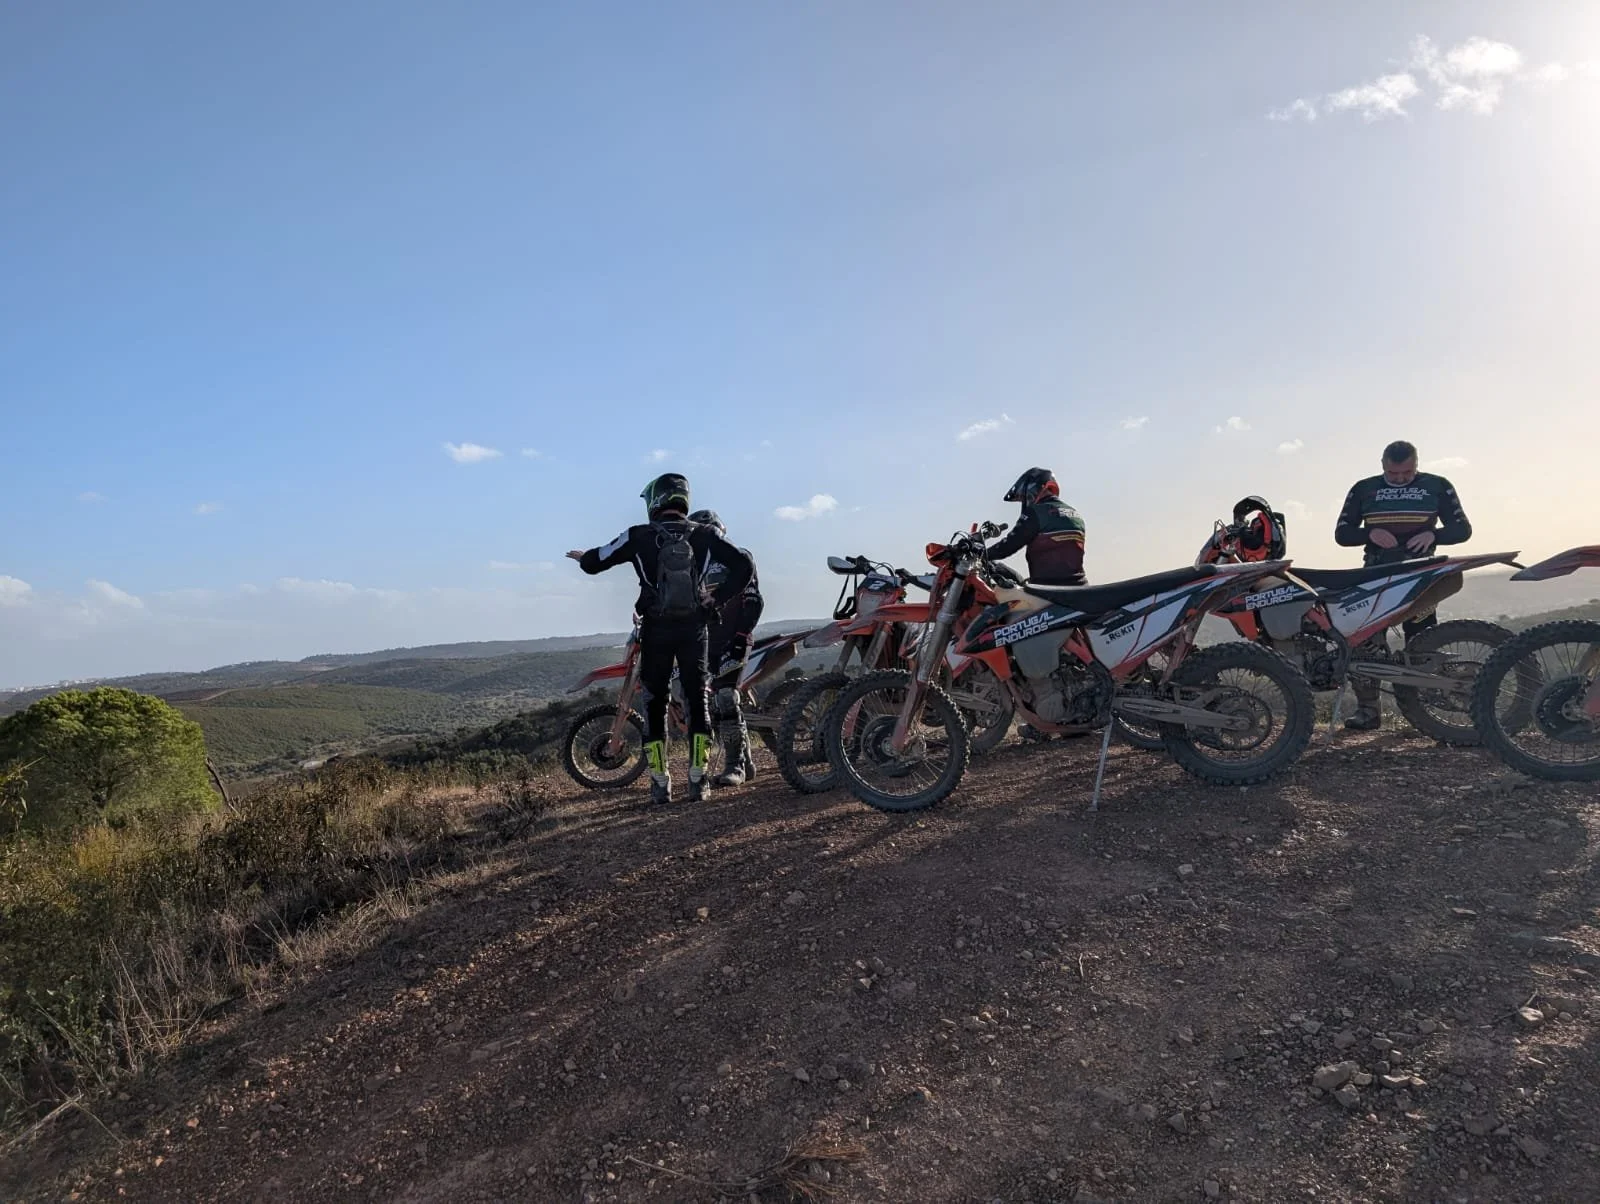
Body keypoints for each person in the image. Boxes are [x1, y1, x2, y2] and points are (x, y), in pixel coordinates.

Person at [568, 474, 752, 804]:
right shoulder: (706, 534)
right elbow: (743, 565)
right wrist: (717, 599)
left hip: (655, 630)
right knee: (698, 701)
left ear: (655, 500)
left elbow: (595, 563)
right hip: (695, 630)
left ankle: (660, 782)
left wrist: (583, 558)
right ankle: (698, 779)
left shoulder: (638, 536)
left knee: (655, 703)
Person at [1333, 440, 1473, 730]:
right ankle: (1368, 711)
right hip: (1375, 574)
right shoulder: (1364, 488)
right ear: (1382, 465)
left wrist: (1434, 536)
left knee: (1421, 637)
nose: (1399, 478)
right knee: (1364, 639)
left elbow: (1462, 530)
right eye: (1393, 473)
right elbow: (1342, 534)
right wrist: (1370, 533)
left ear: (1417, 464)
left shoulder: (1438, 485)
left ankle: (1428, 712)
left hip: (1421, 575)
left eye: (1407, 473)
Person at [687, 509, 764, 788]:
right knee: (711, 704)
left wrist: (742, 635)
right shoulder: (691, 565)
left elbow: (754, 599)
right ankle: (746, 759)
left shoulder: (738, 557)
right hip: (707, 642)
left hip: (735, 639)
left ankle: (736, 766)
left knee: (726, 697)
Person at [985, 467, 1088, 586]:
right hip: (1080, 586)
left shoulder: (1036, 512)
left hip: (1049, 589)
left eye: (1023, 498)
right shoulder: (1075, 514)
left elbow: (1008, 546)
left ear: (1031, 490)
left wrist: (982, 554)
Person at [1198, 496, 1287, 564]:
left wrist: (1241, 532)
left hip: (1261, 559)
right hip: (1262, 559)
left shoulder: (1257, 536)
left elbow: (1253, 542)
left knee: (1227, 554)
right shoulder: (1259, 531)